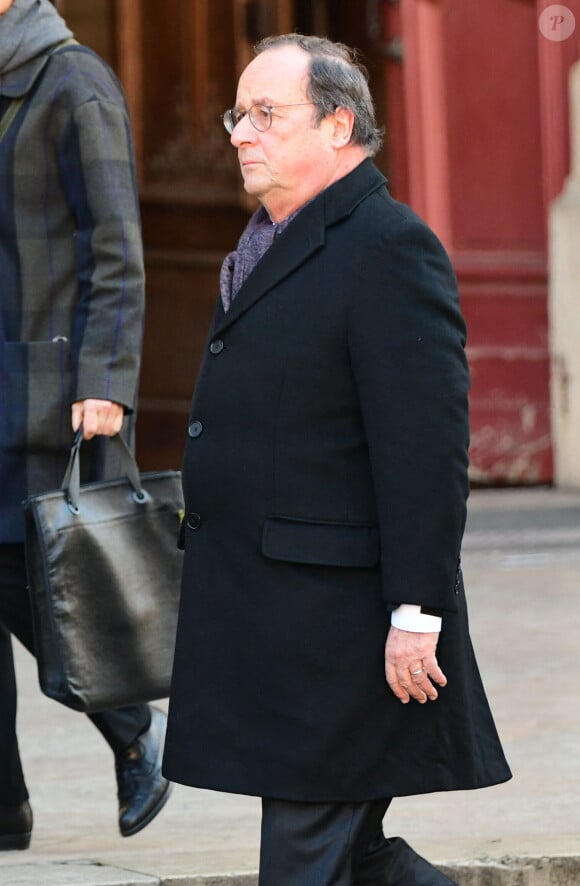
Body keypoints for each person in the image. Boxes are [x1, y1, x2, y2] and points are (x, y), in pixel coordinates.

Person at [163, 33, 512, 886]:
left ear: (338, 124)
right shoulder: (268, 242)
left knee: (307, 851)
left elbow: (425, 451)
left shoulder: (388, 246)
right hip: (277, 614)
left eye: (266, 114)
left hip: (341, 623)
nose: (241, 133)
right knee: (354, 855)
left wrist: (417, 612)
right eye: (236, 114)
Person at [0, 0, 171, 851]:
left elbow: (115, 243)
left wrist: (107, 381)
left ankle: (136, 726)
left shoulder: (75, 82)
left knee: (31, 580)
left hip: (43, 387)